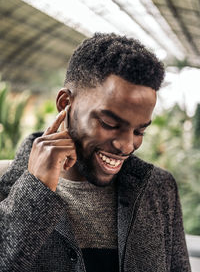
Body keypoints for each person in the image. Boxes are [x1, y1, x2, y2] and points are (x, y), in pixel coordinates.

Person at [0, 33, 191, 272]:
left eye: (139, 131)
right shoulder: (5, 185)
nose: (126, 146)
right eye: (109, 124)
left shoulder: (159, 189)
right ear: (64, 103)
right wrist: (35, 191)